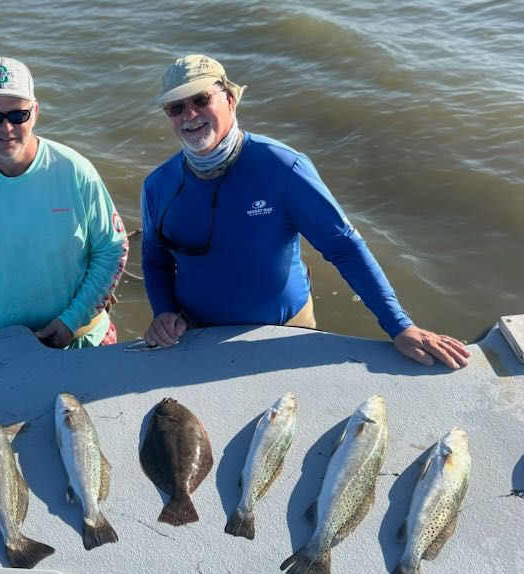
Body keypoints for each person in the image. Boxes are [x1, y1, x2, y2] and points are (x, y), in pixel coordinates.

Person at [140, 54, 469, 370]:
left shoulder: (284, 168)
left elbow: (344, 247)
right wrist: (164, 312)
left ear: (229, 99)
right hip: (198, 334)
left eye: (200, 99)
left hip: (287, 331)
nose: (189, 114)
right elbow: (156, 261)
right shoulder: (158, 186)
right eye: (176, 107)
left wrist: (399, 325)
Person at [0, 56, 128, 358]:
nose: (6, 127)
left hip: (82, 338)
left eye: (18, 115)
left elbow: (113, 248)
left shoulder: (75, 170)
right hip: (1, 347)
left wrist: (71, 320)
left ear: (35, 112)